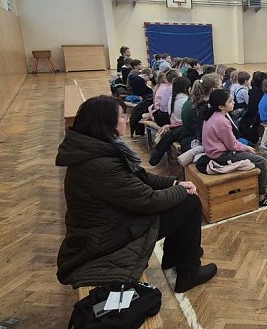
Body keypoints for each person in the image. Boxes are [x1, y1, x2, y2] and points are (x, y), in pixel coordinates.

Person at [55, 95, 216, 294]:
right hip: (107, 235)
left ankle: (178, 258)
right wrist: (181, 190)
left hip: (110, 222)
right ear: (106, 124)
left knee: (184, 198)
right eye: (122, 117)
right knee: (189, 202)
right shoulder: (99, 165)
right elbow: (148, 200)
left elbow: (138, 177)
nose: (126, 120)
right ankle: (188, 272)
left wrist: (174, 183)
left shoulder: (96, 150)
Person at [201, 89, 267, 207]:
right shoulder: (222, 121)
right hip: (221, 156)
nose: (233, 103)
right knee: (261, 161)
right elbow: (232, 145)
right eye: (230, 101)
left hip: (213, 152)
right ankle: (262, 197)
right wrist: (246, 148)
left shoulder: (211, 115)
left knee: (252, 154)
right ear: (221, 106)